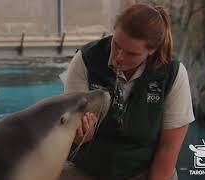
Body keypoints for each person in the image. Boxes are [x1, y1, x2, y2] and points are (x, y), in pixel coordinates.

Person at [60, 3, 195, 180]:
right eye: (116, 45)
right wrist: (82, 135)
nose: (119, 57)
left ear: (151, 50)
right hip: (85, 169)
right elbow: (72, 135)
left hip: (143, 171)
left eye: (131, 54)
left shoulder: (173, 74)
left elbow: (168, 148)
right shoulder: (86, 60)